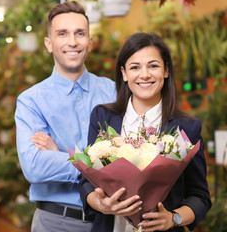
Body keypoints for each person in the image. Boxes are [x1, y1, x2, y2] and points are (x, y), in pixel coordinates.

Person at [80, 32, 212, 232]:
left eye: (153, 66)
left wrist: (173, 218)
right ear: (124, 73)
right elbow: (86, 182)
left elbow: (200, 197)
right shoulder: (102, 117)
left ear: (166, 71)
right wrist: (101, 205)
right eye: (135, 67)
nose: (144, 75)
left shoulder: (186, 127)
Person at [14, 0, 116, 232]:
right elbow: (34, 167)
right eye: (62, 34)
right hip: (55, 222)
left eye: (80, 33)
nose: (72, 42)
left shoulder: (112, 92)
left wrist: (61, 155)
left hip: (109, 222)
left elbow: (128, 154)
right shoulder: (31, 100)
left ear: (90, 42)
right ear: (49, 44)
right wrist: (97, 162)